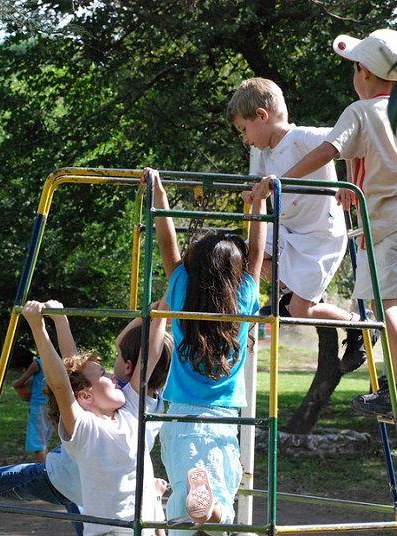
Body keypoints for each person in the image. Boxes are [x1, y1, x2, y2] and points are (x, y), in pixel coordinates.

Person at [267, 28, 397, 421]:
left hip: (385, 225)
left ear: (365, 73)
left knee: (384, 306)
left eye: (355, 69)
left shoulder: (359, 112)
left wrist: (280, 180)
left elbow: (329, 149)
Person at [0, 302, 172, 535]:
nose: (111, 374)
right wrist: (52, 323)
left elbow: (66, 380)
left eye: (108, 369)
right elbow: (67, 378)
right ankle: (153, 498)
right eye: (104, 374)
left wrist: (40, 328)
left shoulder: (122, 414)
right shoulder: (119, 417)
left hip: (73, 486)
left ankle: (153, 498)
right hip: (91, 501)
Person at [141, 168, 267, 531]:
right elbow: (256, 251)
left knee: (181, 504)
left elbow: (166, 240)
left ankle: (201, 507)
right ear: (236, 272)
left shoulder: (181, 287)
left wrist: (158, 192)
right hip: (225, 419)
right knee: (223, 507)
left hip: (179, 415)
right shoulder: (243, 295)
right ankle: (211, 510)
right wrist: (258, 203)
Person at [226, 77, 370, 372]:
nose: (245, 139)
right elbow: (266, 188)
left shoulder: (304, 137)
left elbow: (352, 143)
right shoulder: (265, 155)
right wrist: (254, 194)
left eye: (244, 129)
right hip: (288, 230)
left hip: (320, 235)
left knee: (301, 310)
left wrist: (350, 182)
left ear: (262, 116)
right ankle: (284, 295)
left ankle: (357, 326)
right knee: (244, 258)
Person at [12, 356, 52, 462]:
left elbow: (20, 382)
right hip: (52, 405)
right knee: (44, 440)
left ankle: (43, 473)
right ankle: (46, 470)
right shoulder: (58, 362)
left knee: (38, 444)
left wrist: (15, 383)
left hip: (38, 405)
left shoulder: (38, 363)